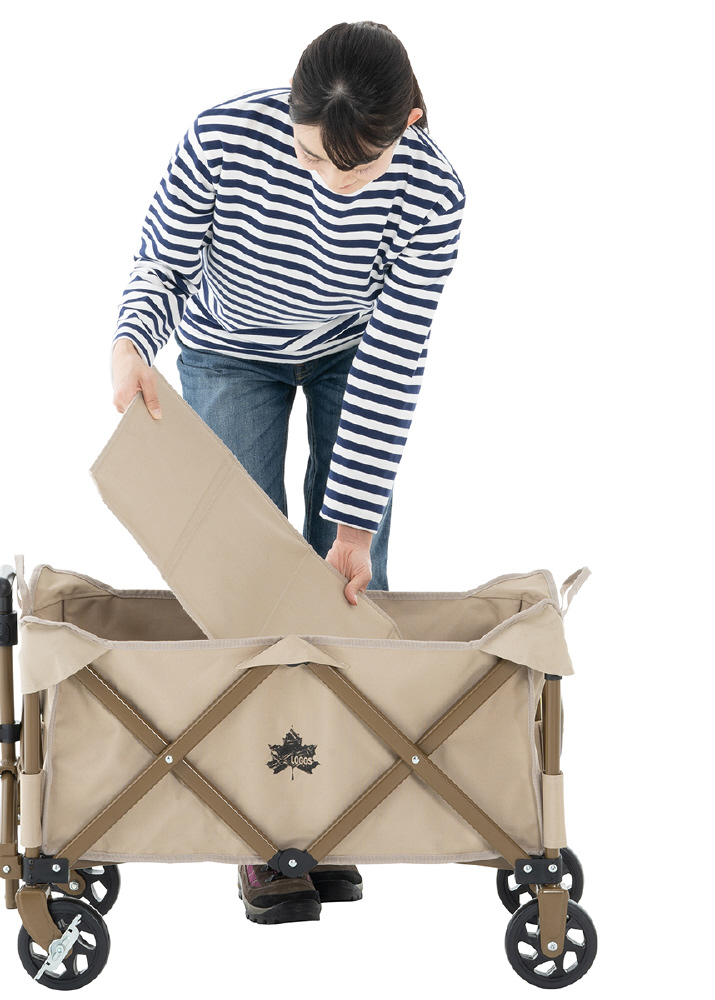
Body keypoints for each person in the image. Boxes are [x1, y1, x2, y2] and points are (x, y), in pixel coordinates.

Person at [110, 21, 464, 925]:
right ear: (291, 115)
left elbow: (393, 358)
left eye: (360, 166)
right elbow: (162, 261)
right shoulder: (222, 138)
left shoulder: (433, 192)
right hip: (229, 349)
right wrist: (132, 343)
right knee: (244, 584)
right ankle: (262, 828)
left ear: (408, 124)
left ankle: (331, 809)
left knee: (348, 586)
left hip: (352, 354)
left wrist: (353, 527)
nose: (333, 183)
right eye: (311, 157)